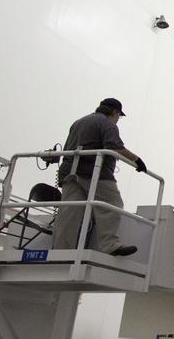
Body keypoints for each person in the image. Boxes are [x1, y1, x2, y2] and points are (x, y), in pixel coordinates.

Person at [51, 98, 147, 257]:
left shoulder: (78, 122)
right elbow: (114, 146)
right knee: (112, 205)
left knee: (69, 213)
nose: (118, 119)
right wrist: (137, 161)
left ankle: (59, 252)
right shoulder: (108, 124)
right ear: (115, 112)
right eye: (119, 116)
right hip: (94, 173)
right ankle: (110, 245)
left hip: (69, 172)